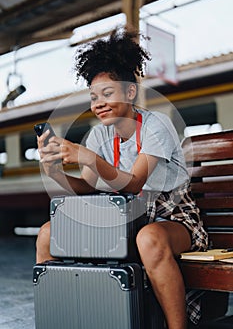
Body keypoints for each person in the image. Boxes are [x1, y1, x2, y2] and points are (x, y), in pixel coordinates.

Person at [36, 28, 208, 329]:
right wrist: (53, 171)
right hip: (123, 217)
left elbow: (134, 183)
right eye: (93, 97)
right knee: (48, 233)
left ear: (130, 92)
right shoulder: (98, 135)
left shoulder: (157, 125)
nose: (98, 103)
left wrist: (89, 158)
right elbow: (86, 187)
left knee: (149, 238)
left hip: (172, 217)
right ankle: (61, 318)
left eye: (107, 93)